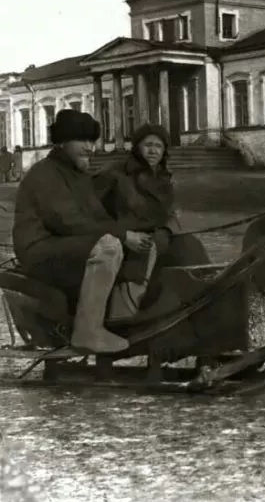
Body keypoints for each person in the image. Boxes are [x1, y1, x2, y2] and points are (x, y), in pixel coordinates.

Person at [12, 109, 152, 354]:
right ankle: (88, 330)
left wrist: (134, 229)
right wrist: (121, 236)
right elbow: (69, 221)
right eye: (82, 140)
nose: (90, 147)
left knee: (146, 244)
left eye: (92, 141)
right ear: (63, 141)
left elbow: (98, 217)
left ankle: (121, 315)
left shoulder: (78, 176)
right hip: (40, 251)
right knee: (109, 246)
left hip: (67, 247)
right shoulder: (44, 173)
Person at [92, 123, 181, 319]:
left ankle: (196, 307)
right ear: (137, 147)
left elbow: (172, 214)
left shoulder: (165, 178)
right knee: (144, 253)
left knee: (190, 247)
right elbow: (89, 212)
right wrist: (123, 235)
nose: (153, 150)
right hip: (123, 241)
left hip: (158, 238)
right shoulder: (115, 173)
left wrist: (166, 231)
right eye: (148, 145)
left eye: (159, 146)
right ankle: (123, 318)